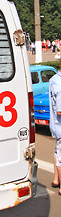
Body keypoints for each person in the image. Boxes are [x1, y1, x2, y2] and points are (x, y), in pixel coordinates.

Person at [49, 65, 61, 194]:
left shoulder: (54, 79)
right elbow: (60, 110)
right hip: (60, 125)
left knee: (57, 152)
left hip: (56, 126)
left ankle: (56, 179)